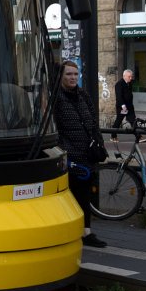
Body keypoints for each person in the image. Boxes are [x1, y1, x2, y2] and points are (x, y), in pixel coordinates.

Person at [52, 60, 107, 248]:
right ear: (60, 76)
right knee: (67, 196)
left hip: (87, 154)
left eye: (75, 74)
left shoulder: (83, 95)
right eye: (68, 74)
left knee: (84, 195)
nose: (73, 78)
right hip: (69, 156)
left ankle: (86, 232)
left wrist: (99, 142)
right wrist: (63, 150)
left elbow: (93, 121)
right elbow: (53, 128)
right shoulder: (55, 97)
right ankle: (66, 232)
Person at [110, 69, 145, 142]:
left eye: (131, 76)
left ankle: (139, 136)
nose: (131, 78)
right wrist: (123, 105)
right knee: (118, 121)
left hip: (130, 106)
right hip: (122, 107)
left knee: (133, 121)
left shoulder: (129, 83)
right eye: (129, 77)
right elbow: (119, 96)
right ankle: (113, 136)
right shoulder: (119, 84)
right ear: (124, 76)